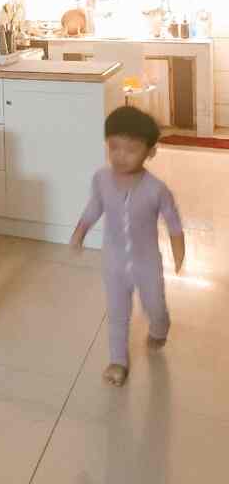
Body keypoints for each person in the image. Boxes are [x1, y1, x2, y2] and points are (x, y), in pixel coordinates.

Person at [70, 106, 185, 387]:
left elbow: (173, 223)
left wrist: (179, 252)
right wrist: (80, 231)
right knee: (117, 313)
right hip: (114, 263)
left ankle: (160, 328)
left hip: (147, 264)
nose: (121, 156)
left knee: (154, 306)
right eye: (114, 147)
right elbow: (94, 207)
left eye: (131, 149)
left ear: (150, 151)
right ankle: (118, 361)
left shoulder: (157, 189)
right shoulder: (101, 179)